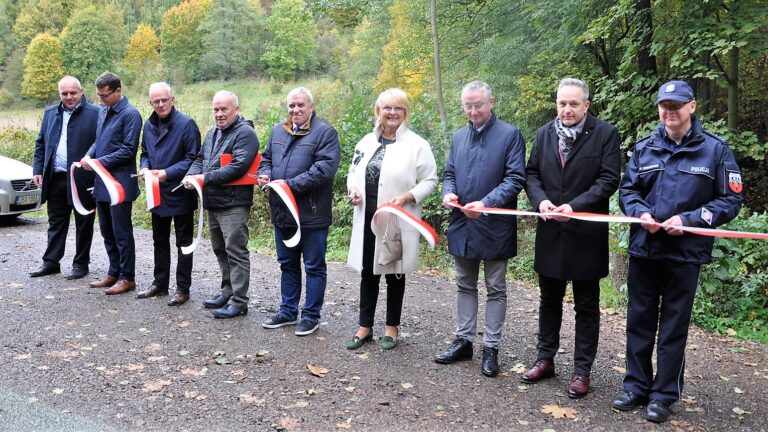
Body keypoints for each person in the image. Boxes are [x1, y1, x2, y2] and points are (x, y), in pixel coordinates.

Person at [613, 80, 742, 423]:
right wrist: (640, 213)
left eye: (676, 105)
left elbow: (730, 200)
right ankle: (636, 386)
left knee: (673, 327)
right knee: (638, 321)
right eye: (664, 106)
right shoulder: (644, 148)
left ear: (692, 107)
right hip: (645, 248)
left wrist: (689, 219)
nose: (669, 111)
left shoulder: (715, 151)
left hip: (685, 253)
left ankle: (663, 395)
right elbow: (628, 191)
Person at [522, 78, 621, 398]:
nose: (567, 109)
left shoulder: (605, 134)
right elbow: (531, 173)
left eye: (573, 104)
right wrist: (541, 202)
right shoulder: (543, 134)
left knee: (586, 305)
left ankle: (582, 371)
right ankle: (545, 359)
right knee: (549, 299)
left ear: (586, 105)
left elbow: (609, 179)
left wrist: (574, 207)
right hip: (551, 230)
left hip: (586, 234)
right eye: (562, 103)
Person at [435, 81, 526, 377]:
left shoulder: (510, 135)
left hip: (494, 223)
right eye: (468, 106)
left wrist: (485, 203)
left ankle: (491, 347)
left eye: (478, 105)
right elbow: (449, 173)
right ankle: (464, 340)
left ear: (492, 102)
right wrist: (448, 193)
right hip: (462, 223)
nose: (473, 111)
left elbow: (515, 179)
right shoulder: (459, 136)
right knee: (464, 283)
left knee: (496, 287)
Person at [345, 88, 437, 350]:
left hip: (397, 219)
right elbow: (353, 172)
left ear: (405, 113)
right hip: (368, 218)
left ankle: (391, 328)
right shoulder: (366, 142)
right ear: (378, 111)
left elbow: (430, 180)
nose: (392, 113)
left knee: (394, 273)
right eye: (387, 108)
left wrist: (409, 196)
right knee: (368, 273)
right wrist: (353, 189)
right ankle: (364, 326)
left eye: (398, 108)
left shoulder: (417, 145)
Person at [258, 87, 341, 336]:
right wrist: (265, 174)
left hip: (311, 214)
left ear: (311, 107)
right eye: (292, 105)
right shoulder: (277, 131)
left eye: (301, 105)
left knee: (314, 266)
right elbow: (266, 159)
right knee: (287, 264)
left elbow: (324, 170)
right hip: (282, 213)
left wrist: (288, 186)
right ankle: (287, 312)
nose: (295, 110)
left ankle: (311, 315)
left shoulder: (325, 133)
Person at [184, 91, 259, 319]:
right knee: (220, 250)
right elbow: (200, 159)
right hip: (213, 202)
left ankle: (239, 301)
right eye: (216, 109)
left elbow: (238, 166)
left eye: (224, 109)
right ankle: (227, 291)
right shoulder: (213, 133)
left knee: (236, 251)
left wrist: (204, 179)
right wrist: (191, 176)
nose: (219, 114)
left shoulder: (246, 134)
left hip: (234, 204)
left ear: (236, 109)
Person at [137, 82, 201, 306]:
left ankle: (183, 288)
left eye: (165, 99)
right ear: (150, 103)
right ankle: (160, 283)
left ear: (173, 99)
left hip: (180, 191)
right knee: (159, 240)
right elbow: (144, 153)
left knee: (183, 242)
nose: (161, 104)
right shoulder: (148, 125)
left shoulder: (187, 124)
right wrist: (144, 168)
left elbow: (193, 158)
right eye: (156, 101)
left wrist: (167, 173)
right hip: (157, 192)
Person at [30, 76, 98, 280]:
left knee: (84, 222)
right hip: (56, 178)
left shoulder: (95, 113)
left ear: (81, 91)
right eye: (64, 93)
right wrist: (38, 169)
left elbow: (101, 143)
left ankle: (81, 264)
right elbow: (41, 142)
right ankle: (51, 262)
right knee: (56, 222)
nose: (69, 97)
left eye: (73, 93)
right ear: (59, 93)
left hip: (83, 179)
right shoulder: (50, 113)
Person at [80, 72, 142, 295]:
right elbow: (98, 140)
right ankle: (113, 271)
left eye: (105, 96)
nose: (101, 100)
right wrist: (88, 157)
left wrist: (98, 162)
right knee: (107, 231)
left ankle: (128, 277)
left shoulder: (131, 114)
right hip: (101, 183)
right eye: (98, 96)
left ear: (118, 91)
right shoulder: (104, 110)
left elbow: (128, 150)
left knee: (121, 232)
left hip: (120, 184)